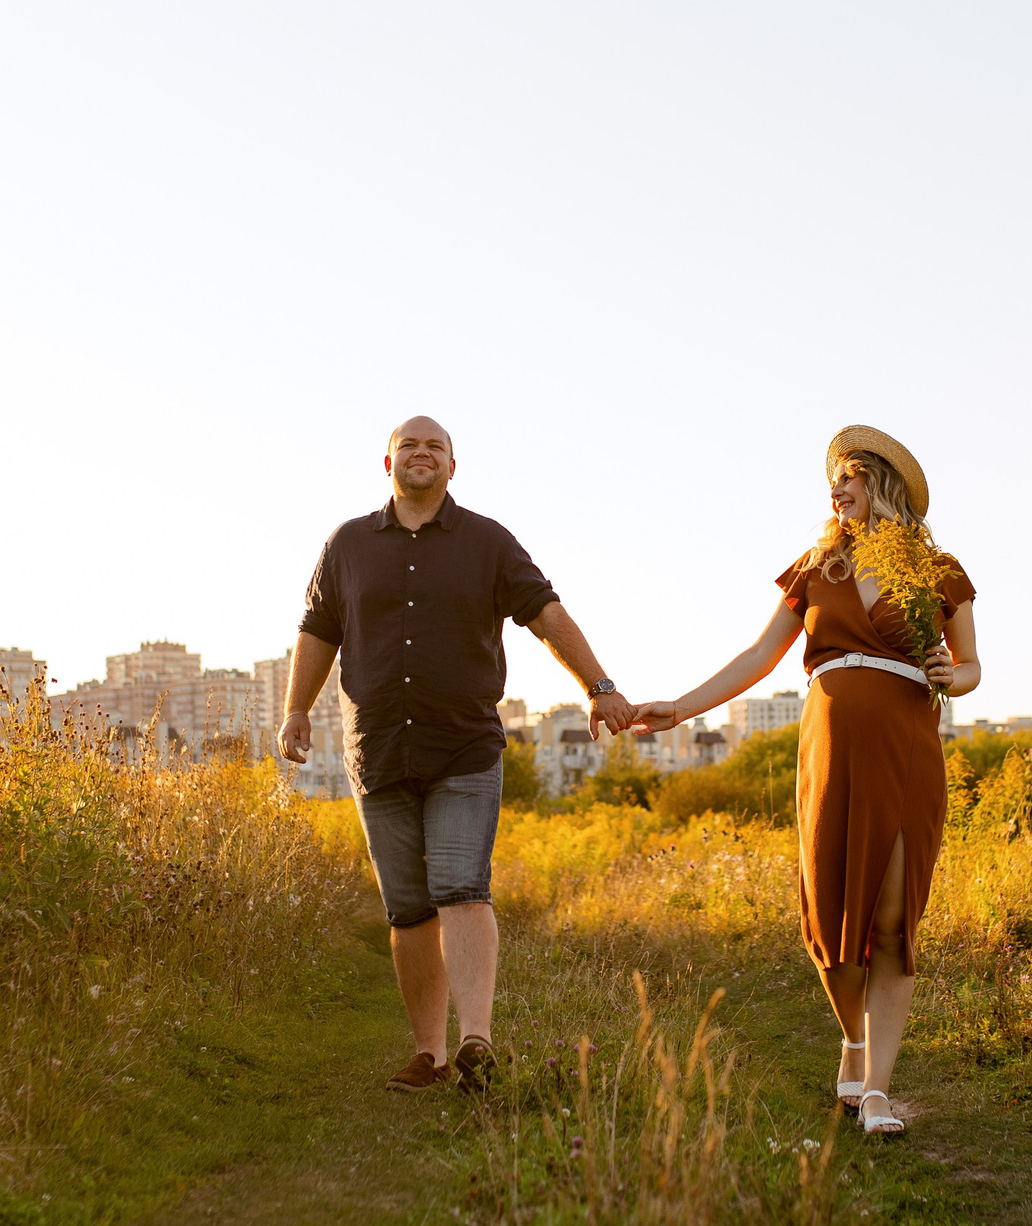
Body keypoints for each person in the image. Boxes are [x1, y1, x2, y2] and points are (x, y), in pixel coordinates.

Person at [634, 426, 978, 1135]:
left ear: (883, 483)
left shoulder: (937, 571)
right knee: (828, 919)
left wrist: (955, 675)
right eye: (833, 478)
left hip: (906, 751)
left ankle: (877, 1090)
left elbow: (972, 664)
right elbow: (761, 654)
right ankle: (853, 1036)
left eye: (850, 474)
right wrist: (680, 705)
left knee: (890, 920)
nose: (836, 487)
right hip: (828, 751)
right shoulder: (820, 565)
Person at [279, 416, 636, 1093]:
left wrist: (600, 685)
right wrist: (296, 709)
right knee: (408, 906)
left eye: (434, 445)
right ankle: (429, 1053)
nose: (422, 453)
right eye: (409, 444)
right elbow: (318, 630)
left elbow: (548, 615)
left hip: (464, 748)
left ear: (452, 465)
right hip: (377, 749)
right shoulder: (348, 544)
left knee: (461, 886)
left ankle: (476, 1039)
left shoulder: (489, 542)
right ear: (385, 462)